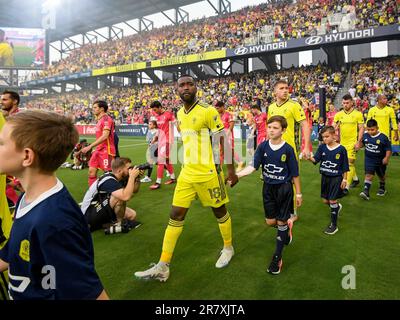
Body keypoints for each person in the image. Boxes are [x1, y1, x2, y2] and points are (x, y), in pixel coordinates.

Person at [134, 75, 239, 282]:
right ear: (177, 90)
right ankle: (163, 265)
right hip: (187, 174)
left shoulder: (208, 110)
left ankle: (228, 247)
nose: (186, 87)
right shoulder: (180, 113)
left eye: (190, 84)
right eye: (182, 85)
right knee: (176, 215)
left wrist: (231, 171)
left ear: (196, 87)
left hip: (208, 173)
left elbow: (223, 141)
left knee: (219, 211)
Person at [0, 110, 108, 300]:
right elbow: (10, 255)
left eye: (1, 143)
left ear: (27, 156)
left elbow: (90, 294)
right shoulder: (27, 199)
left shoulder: (54, 222)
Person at [237, 116, 301, 275]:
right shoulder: (263, 146)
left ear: (283, 130)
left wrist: (298, 193)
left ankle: (277, 259)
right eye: (270, 127)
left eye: (275, 128)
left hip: (284, 189)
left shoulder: (288, 149)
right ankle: (287, 227)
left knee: (280, 222)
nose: (271, 130)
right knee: (270, 221)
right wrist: (237, 175)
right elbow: (253, 167)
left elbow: (294, 174)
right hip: (268, 189)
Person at [268, 80, 311, 222]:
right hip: (274, 150)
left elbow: (305, 125)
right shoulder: (271, 107)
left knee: (292, 180)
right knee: (276, 179)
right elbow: (270, 129)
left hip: (289, 150)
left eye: (287, 88)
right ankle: (278, 208)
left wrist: (306, 146)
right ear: (275, 92)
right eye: (281, 88)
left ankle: (293, 212)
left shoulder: (294, 105)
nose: (285, 90)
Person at [81, 157, 142, 232]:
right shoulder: (108, 180)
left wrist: (137, 178)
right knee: (119, 197)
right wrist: (132, 177)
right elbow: (126, 197)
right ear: (119, 171)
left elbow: (134, 190)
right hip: (88, 214)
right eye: (129, 168)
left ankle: (107, 223)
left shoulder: (119, 177)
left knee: (132, 215)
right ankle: (119, 224)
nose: (131, 170)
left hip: (99, 207)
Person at [308, 126, 349, 235]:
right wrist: (309, 157)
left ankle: (334, 225)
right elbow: (315, 160)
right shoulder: (322, 148)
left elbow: (345, 166)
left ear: (334, 135)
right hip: (325, 178)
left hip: (336, 178)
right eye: (323, 137)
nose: (325, 139)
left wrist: (345, 179)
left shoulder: (341, 149)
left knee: (332, 201)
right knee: (325, 201)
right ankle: (337, 207)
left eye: (327, 136)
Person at [333, 94, 364, 194]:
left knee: (350, 163)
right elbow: (333, 127)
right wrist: (334, 132)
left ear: (352, 103)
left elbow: (361, 128)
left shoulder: (358, 114)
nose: (345, 104)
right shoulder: (339, 114)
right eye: (344, 103)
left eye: (347, 103)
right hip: (342, 143)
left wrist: (359, 142)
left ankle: (346, 187)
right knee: (343, 164)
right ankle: (355, 179)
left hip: (352, 143)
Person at [81, 100, 116, 186]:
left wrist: (90, 147)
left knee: (108, 175)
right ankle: (93, 193)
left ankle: (113, 193)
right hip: (98, 150)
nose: (93, 109)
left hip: (106, 150)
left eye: (95, 107)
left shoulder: (107, 119)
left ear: (102, 109)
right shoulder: (99, 120)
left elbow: (105, 136)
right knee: (91, 172)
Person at [359, 119, 392, 201]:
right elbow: (363, 143)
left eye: (372, 129)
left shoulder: (383, 137)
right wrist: (358, 145)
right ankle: (366, 192)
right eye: (368, 130)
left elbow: (388, 149)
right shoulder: (365, 135)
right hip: (369, 159)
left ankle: (382, 187)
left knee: (381, 175)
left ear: (377, 128)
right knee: (368, 175)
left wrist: (386, 158)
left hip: (380, 160)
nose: (370, 132)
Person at [149, 100, 176, 190]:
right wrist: (155, 138)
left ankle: (158, 182)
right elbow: (159, 130)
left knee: (161, 160)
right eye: (153, 110)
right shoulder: (157, 117)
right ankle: (173, 178)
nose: (154, 112)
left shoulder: (169, 114)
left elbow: (176, 123)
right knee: (167, 160)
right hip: (161, 141)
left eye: (156, 110)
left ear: (160, 107)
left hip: (168, 140)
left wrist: (182, 134)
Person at [215, 101, 244, 171]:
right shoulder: (218, 116)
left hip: (228, 135)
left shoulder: (229, 115)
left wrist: (227, 135)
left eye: (218, 108)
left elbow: (231, 126)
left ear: (222, 107)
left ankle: (240, 162)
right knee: (221, 150)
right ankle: (220, 166)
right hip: (221, 135)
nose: (217, 110)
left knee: (230, 150)